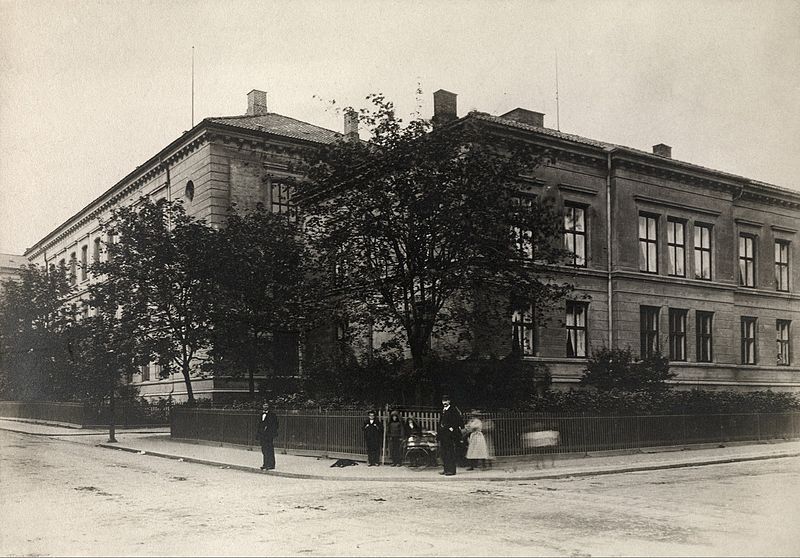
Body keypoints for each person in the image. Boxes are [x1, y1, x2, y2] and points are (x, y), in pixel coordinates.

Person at [437, 395, 463, 476]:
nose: (444, 402)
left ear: (449, 401)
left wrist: (452, 428)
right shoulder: (443, 410)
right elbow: (441, 422)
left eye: (446, 401)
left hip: (450, 434)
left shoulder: (453, 410)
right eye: (443, 401)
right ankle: (445, 469)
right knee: (444, 452)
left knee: (450, 452)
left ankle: (451, 470)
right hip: (443, 434)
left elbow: (458, 420)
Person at [256, 401, 279, 470]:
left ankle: (271, 464)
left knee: (269, 449)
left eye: (266, 405)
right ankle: (265, 464)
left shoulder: (272, 415)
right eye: (264, 405)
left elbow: (276, 425)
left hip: (269, 435)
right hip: (262, 435)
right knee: (264, 449)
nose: (265, 406)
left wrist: (270, 430)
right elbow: (259, 425)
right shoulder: (261, 414)